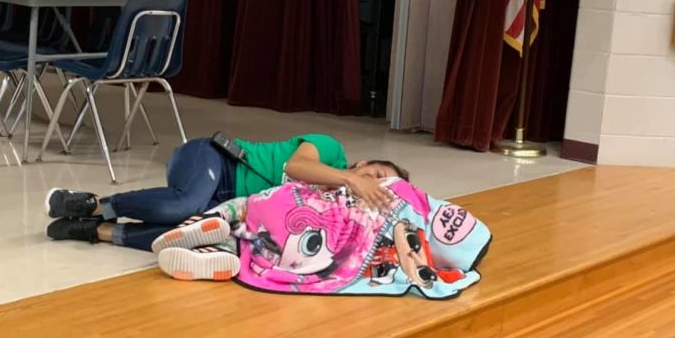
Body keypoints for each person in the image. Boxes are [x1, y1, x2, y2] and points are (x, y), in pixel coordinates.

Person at [45, 133, 409, 252]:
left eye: (381, 186)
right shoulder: (331, 152)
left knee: (194, 237)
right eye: (375, 174)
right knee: (184, 204)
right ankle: (96, 205)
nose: (372, 184)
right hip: (215, 160)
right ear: (361, 164)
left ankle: (95, 231)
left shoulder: (337, 207)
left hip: (228, 205)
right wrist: (350, 180)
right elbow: (296, 169)